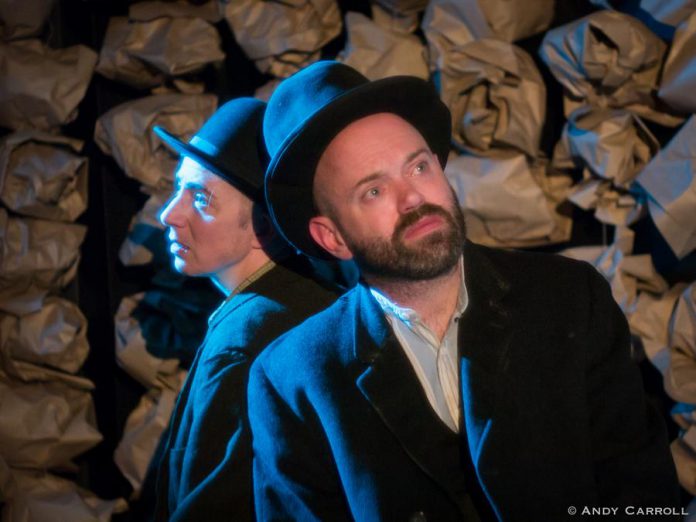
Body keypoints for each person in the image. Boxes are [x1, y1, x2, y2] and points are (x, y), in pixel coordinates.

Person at [247, 61, 680, 521]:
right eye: (373, 191)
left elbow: (643, 496)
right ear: (331, 237)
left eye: (418, 166)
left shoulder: (569, 298)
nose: (413, 197)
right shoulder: (294, 378)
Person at [147, 97, 338, 521]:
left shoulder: (245, 344)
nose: (167, 214)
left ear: (264, 226)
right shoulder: (317, 301)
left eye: (200, 199)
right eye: (178, 188)